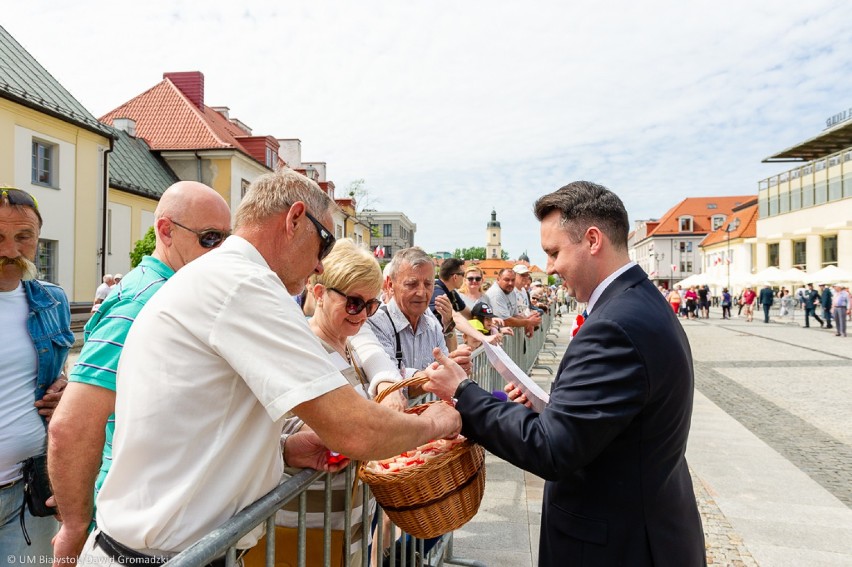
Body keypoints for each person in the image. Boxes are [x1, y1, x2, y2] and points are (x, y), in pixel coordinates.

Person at [75, 169, 461, 564]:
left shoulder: (222, 278)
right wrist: (439, 423)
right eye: (323, 245)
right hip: (163, 555)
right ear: (295, 219)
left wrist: (282, 449)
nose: (319, 265)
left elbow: (192, 419)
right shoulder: (245, 284)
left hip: (162, 550)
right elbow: (354, 429)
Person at [423, 181, 705, 566]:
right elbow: (605, 423)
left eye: (554, 253)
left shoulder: (614, 326)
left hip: (616, 544)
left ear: (592, 240)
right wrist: (548, 409)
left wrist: (463, 392)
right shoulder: (636, 303)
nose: (551, 268)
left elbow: (552, 448)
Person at [48, 181, 233, 562]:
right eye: (210, 238)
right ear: (165, 231)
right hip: (131, 524)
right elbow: (73, 424)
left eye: (226, 241)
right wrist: (73, 525)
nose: (220, 253)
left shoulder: (171, 290)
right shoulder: (146, 301)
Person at [254, 238, 405, 567]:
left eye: (371, 305)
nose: (363, 314)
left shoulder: (346, 344)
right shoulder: (304, 348)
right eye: (353, 303)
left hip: (342, 521)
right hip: (303, 525)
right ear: (320, 293)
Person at [0, 187, 73, 560]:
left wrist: (66, 388)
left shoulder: (51, 300)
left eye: (23, 237)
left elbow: (55, 371)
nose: (10, 251)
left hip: (28, 494)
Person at [486, 268, 541, 337]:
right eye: (506, 280)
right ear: (498, 279)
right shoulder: (496, 294)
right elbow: (506, 321)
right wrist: (528, 322)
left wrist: (527, 321)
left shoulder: (511, 291)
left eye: (513, 280)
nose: (510, 283)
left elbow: (515, 316)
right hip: (494, 337)